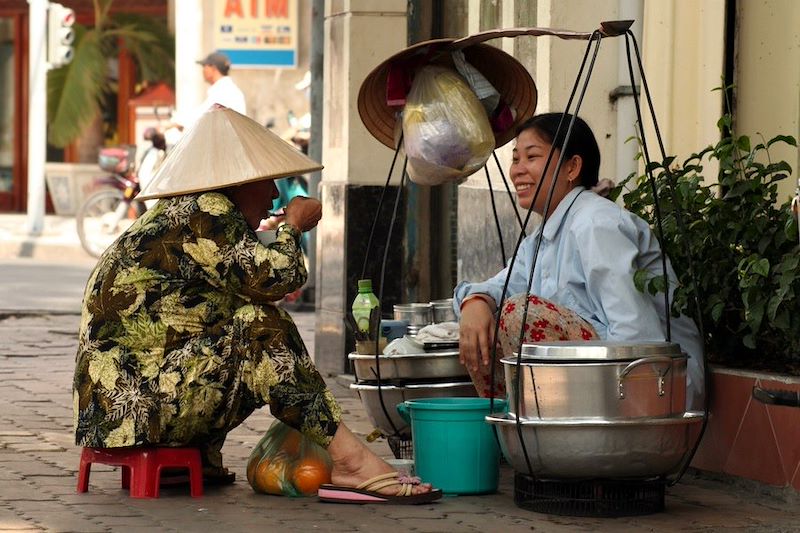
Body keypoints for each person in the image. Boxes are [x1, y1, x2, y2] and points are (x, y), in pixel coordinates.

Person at [73, 105, 441, 505]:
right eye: (267, 182)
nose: (272, 195)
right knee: (260, 328)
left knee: (235, 324)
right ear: (237, 180)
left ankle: (193, 457)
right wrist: (292, 227)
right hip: (138, 408)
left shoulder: (181, 211)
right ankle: (350, 461)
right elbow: (275, 279)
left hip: (116, 414)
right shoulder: (206, 210)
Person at [453, 112, 704, 410]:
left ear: (572, 167)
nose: (517, 171)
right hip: (603, 386)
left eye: (531, 157)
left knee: (520, 315)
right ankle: (527, 432)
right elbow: (501, 285)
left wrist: (636, 409)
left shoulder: (596, 223)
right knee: (484, 321)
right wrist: (476, 302)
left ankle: (555, 433)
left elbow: (636, 334)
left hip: (653, 389)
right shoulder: (541, 237)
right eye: (515, 159)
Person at [167, 52, 247, 133]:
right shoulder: (227, 89)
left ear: (213, 68)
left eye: (204, 66)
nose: (203, 70)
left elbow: (201, 117)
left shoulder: (224, 91)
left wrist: (176, 123)